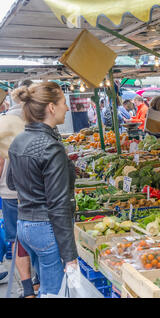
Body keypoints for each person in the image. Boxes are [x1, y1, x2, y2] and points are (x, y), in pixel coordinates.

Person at [7, 82, 78, 297]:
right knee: (52, 291)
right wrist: (70, 255)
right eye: (64, 103)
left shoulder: (18, 140)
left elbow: (12, 184)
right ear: (51, 107)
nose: (67, 108)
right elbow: (58, 204)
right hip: (45, 228)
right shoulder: (51, 146)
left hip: (24, 226)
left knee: (46, 287)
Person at [0, 79, 40, 298]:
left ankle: (27, 289)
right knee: (39, 234)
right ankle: (39, 280)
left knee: (18, 240)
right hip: (34, 190)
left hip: (9, 190)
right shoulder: (36, 119)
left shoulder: (4, 120)